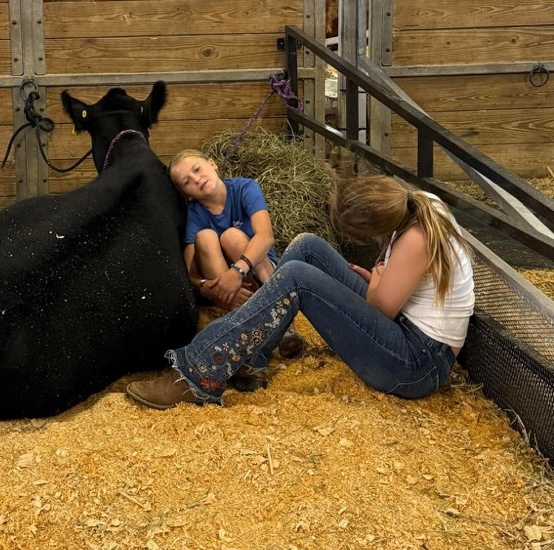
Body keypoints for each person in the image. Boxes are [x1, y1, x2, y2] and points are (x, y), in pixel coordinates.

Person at [126, 175, 475, 410]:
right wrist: (384, 277)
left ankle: (197, 375)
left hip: (416, 363)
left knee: (296, 277)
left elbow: (380, 308)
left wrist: (379, 280)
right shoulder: (416, 203)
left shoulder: (415, 237)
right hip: (403, 325)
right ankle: (252, 359)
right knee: (307, 247)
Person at [167, 150, 304, 360]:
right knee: (204, 237)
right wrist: (205, 285)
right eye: (187, 182)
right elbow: (190, 272)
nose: (196, 179)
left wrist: (236, 272)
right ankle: (248, 326)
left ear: (212, 164)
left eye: (197, 169)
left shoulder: (244, 188)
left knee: (231, 236)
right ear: (187, 194)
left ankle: (283, 318)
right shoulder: (195, 213)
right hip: (230, 292)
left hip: (263, 276)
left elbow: (266, 237)